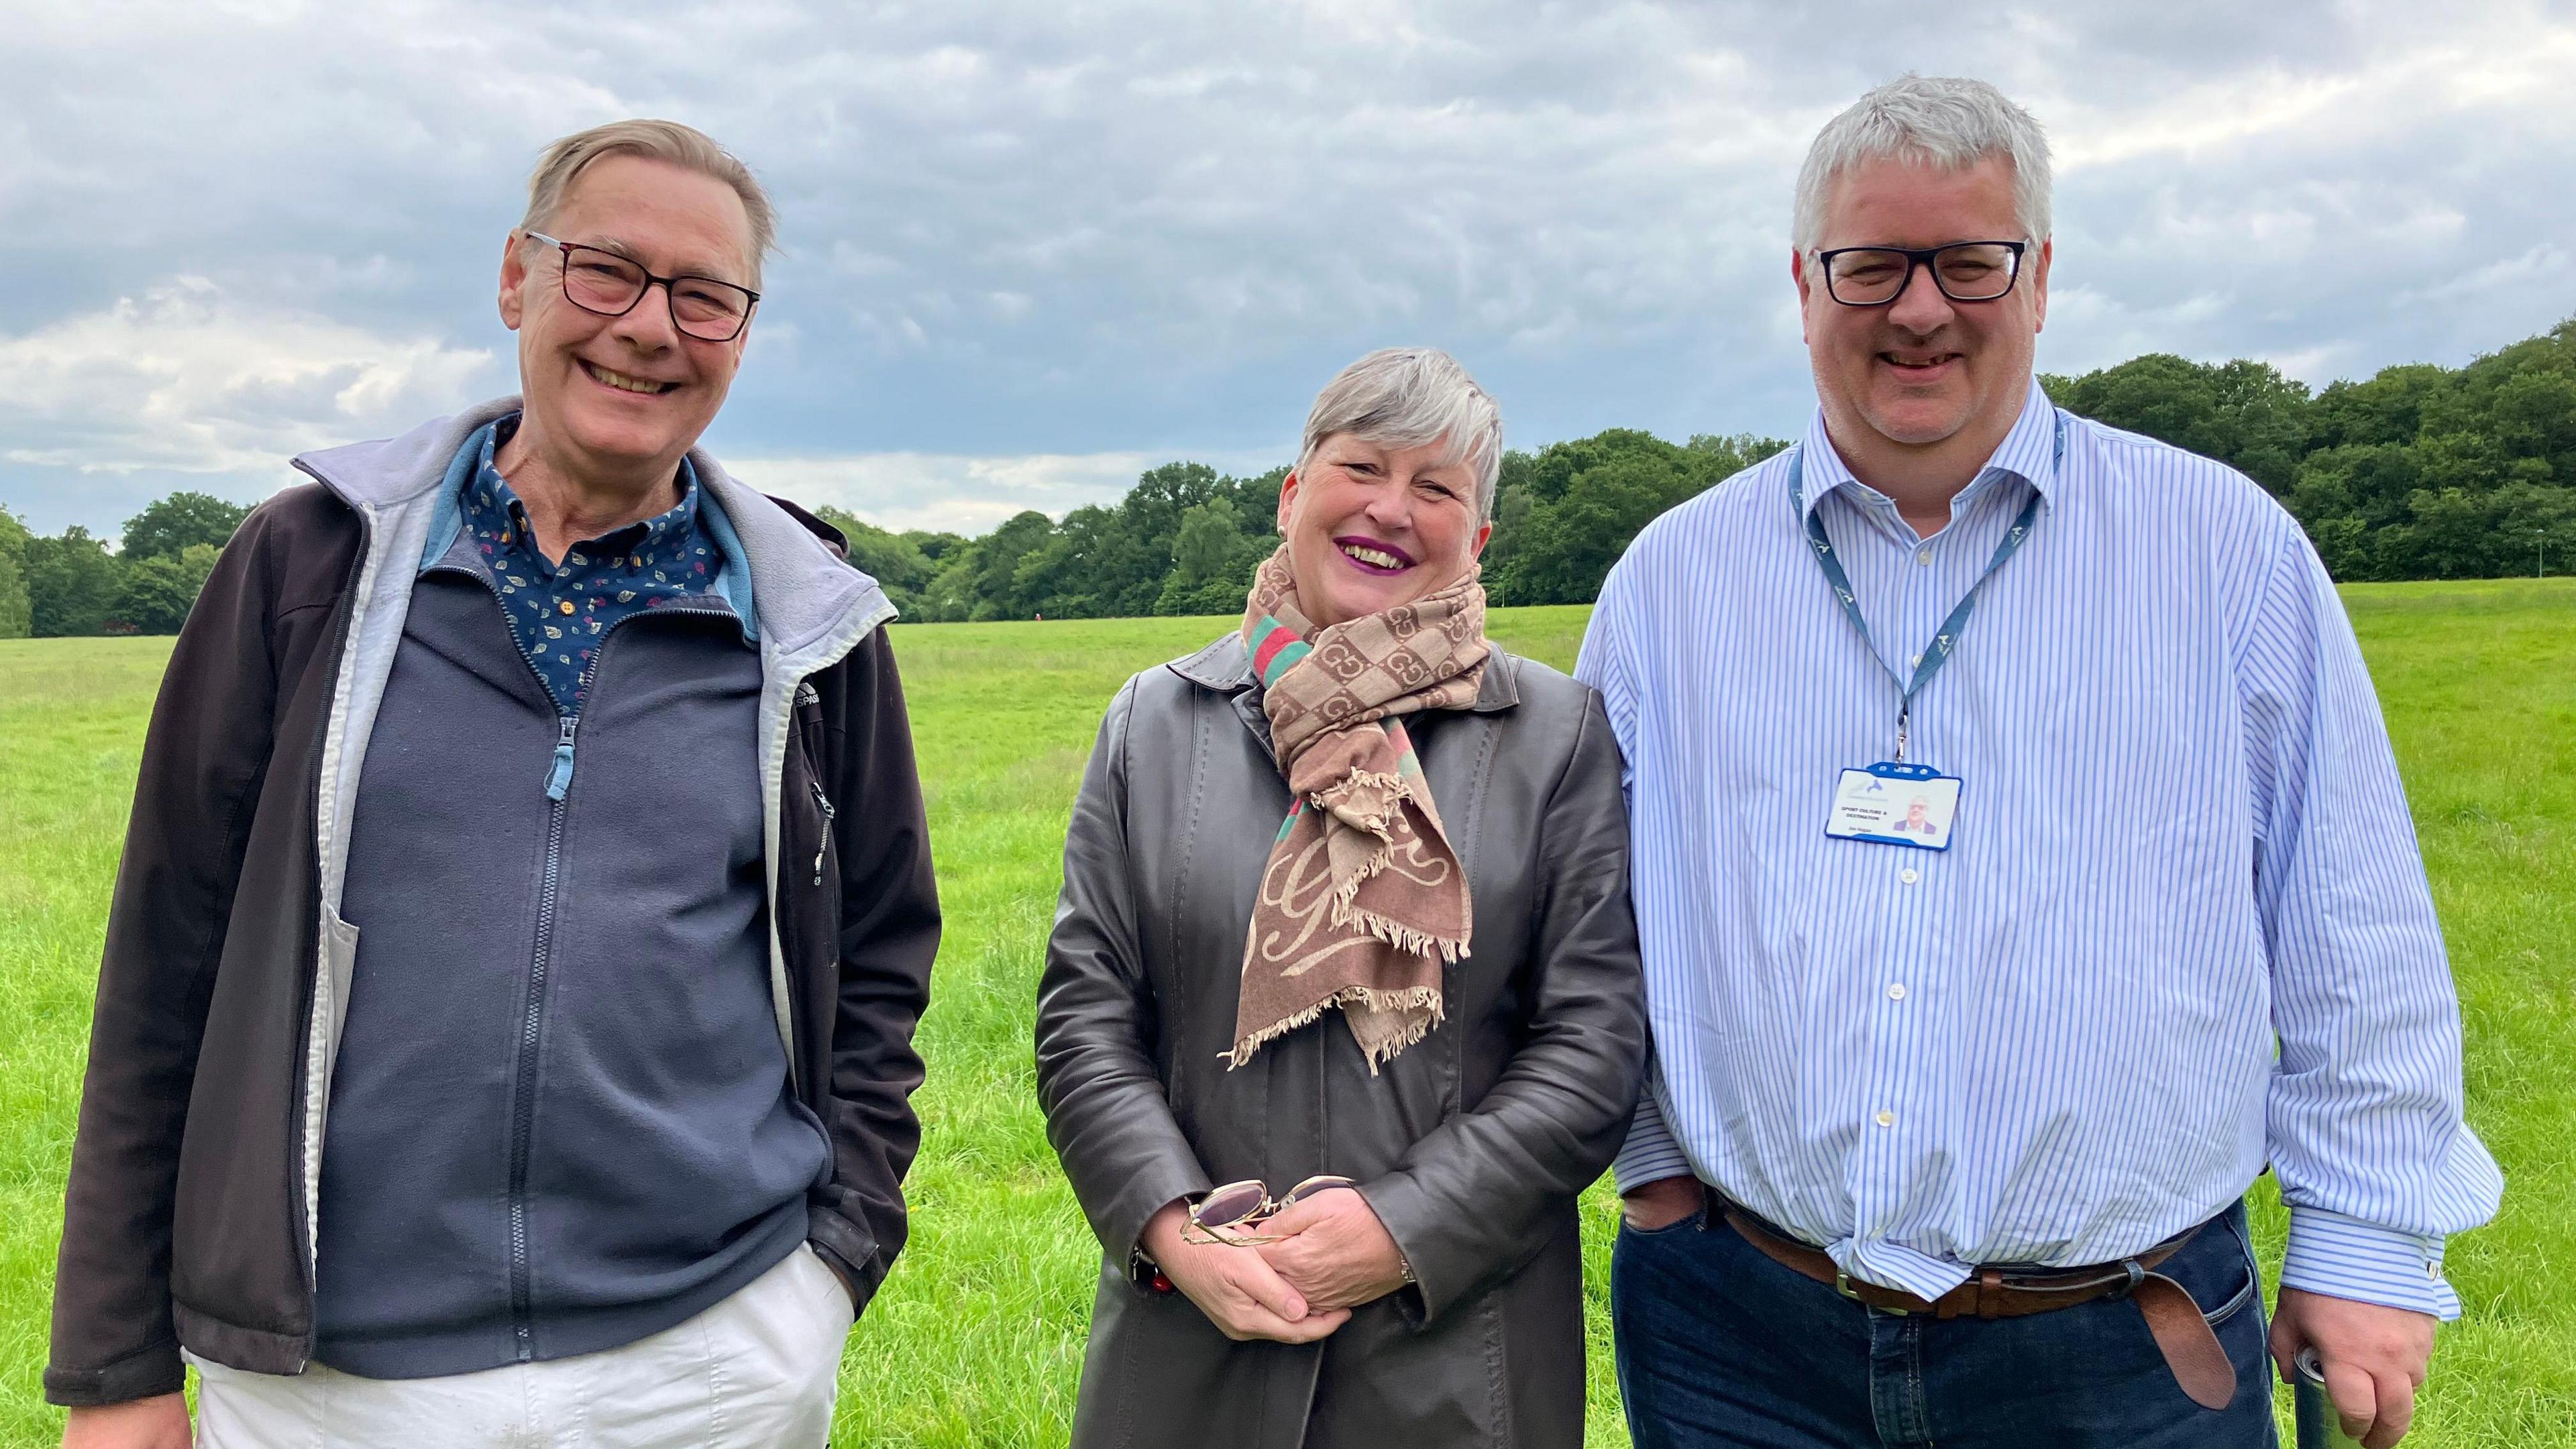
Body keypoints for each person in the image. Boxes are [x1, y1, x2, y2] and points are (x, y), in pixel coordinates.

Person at [1582, 77, 2499, 1449]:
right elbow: (1592, 913)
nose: (1919, 309)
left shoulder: (2222, 551)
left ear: (2042, 276)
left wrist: (2364, 1241)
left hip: (2118, 1349)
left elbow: (2349, 916)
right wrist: (1654, 1173)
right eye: (1872, 264)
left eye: (1970, 261)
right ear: (1802, 280)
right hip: (1743, 1339)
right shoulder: (1671, 582)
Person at [47, 119, 941, 1449]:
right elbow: (165, 970)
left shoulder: (813, 625)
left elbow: (880, 956)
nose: (651, 327)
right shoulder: (305, 571)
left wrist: (825, 1268)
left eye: (706, 296)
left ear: (742, 335)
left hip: (704, 1364)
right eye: (606, 272)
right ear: (517, 280)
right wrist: (117, 1372)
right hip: (333, 1389)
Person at [1036, 347, 1648, 1448]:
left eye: (1438, 487)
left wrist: (1401, 1227)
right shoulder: (1153, 723)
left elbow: (1592, 1045)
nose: (1390, 509)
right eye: (1363, 465)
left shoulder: (1555, 737)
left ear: (1480, 537)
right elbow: (1086, 1018)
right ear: (1292, 494)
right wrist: (1173, 1233)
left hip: (1459, 1359)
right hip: (1191, 1346)